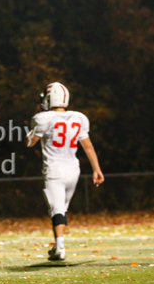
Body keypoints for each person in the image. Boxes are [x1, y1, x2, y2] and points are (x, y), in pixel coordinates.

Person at [26, 82, 104, 261]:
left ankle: (60, 246)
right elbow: (88, 146)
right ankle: (57, 245)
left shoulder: (43, 118)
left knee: (57, 210)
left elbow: (30, 143)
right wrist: (96, 169)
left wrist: (30, 131)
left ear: (48, 98)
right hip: (73, 170)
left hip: (55, 169)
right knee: (61, 210)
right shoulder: (79, 117)